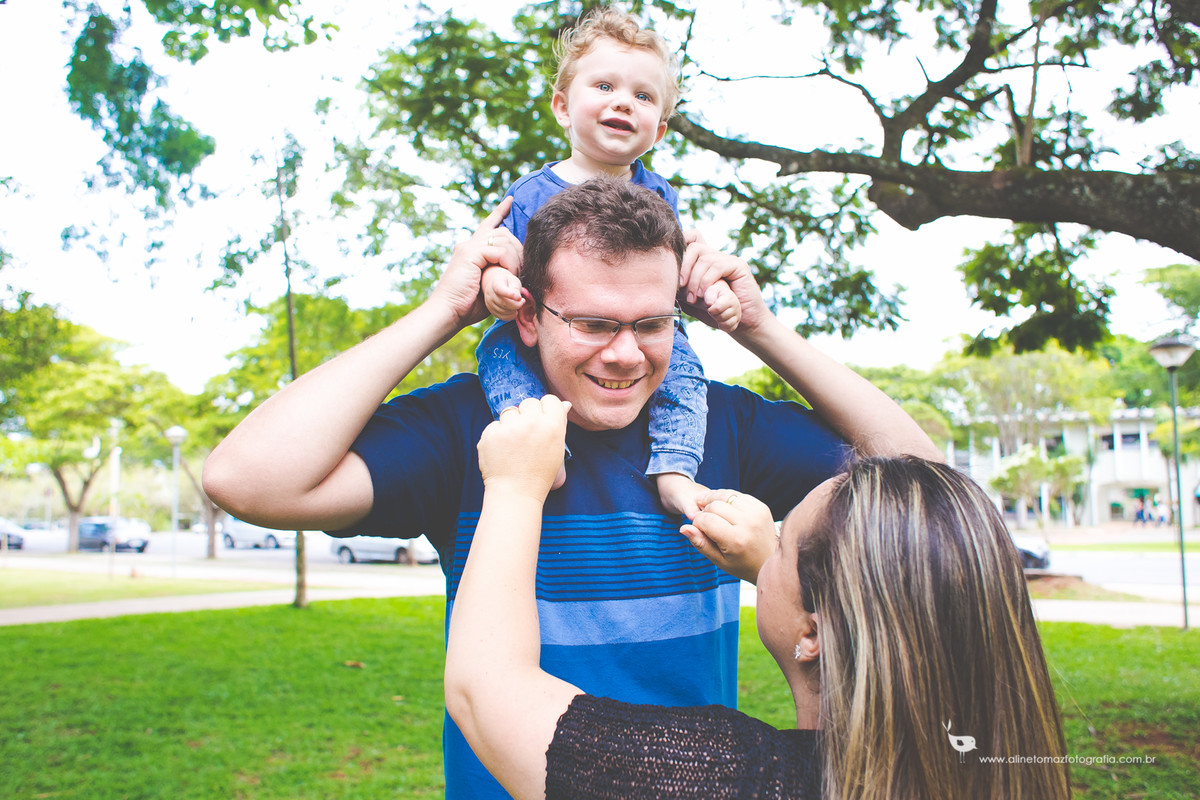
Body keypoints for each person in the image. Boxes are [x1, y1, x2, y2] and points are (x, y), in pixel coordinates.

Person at [202, 177, 940, 799]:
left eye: (652, 324)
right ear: (526, 315)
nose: (625, 355)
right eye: (593, 323)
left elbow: (923, 483)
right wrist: (441, 313)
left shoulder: (724, 424)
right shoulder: (469, 429)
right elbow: (244, 479)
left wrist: (763, 331)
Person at [448, 395, 1071, 800]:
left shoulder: (738, 780)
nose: (762, 549)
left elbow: (484, 687)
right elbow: (937, 525)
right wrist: (760, 327)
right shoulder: (991, 765)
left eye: (781, 538)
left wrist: (513, 485)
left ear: (816, 631)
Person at [477, 7, 740, 516]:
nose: (624, 101)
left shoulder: (660, 195)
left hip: (638, 334)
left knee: (686, 371)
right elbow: (498, 255)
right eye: (604, 86)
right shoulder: (531, 193)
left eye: (643, 96)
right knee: (497, 356)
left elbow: (683, 267)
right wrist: (496, 285)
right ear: (561, 106)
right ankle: (541, 448)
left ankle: (674, 467)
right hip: (543, 329)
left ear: (658, 129)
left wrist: (718, 294)